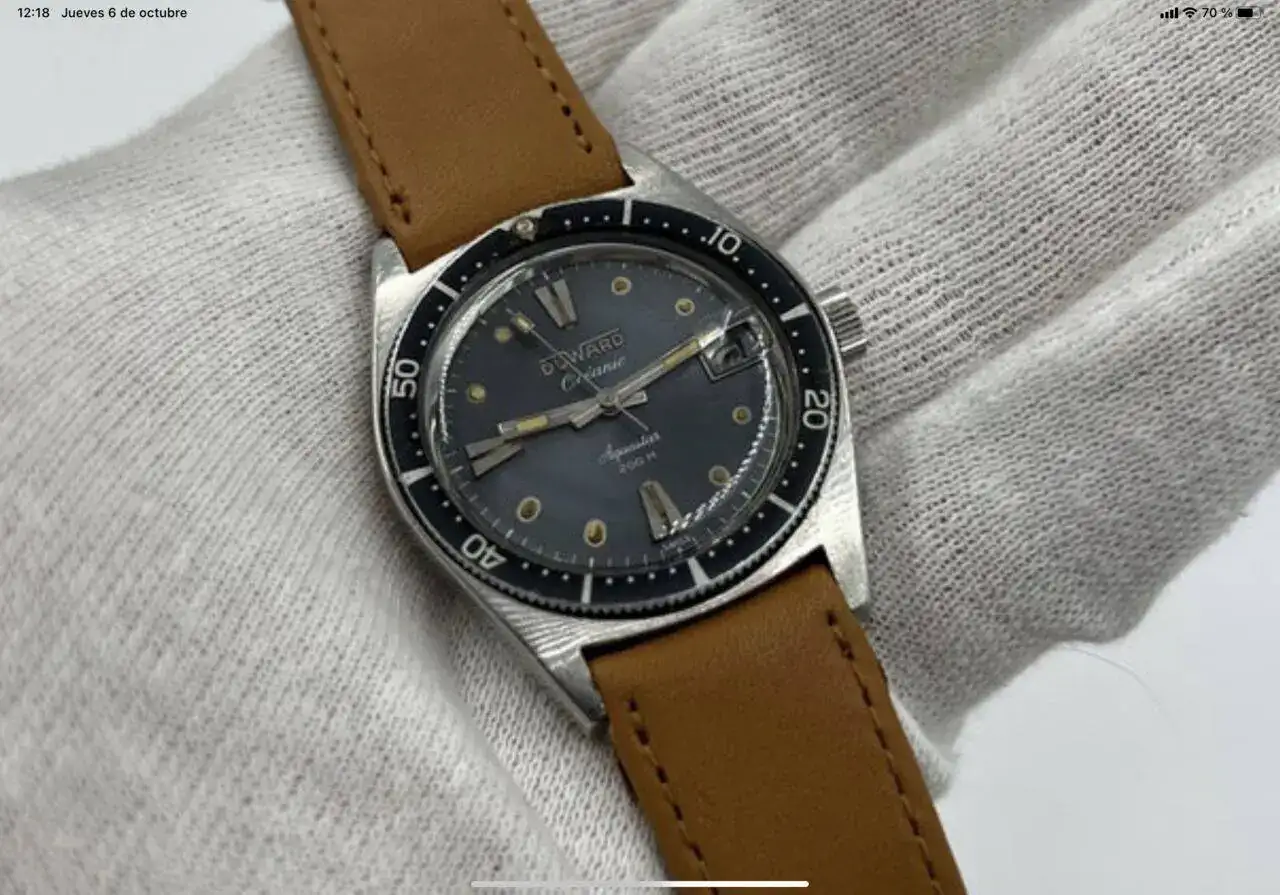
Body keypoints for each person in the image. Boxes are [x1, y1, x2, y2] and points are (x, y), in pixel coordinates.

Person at [2, 0, 1278, 889]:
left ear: (805, 333)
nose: (598, 412)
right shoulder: (434, 347)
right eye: (576, 414)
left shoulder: (715, 348)